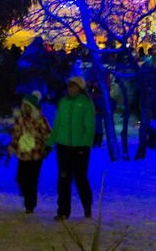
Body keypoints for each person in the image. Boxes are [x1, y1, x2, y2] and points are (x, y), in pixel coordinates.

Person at [48, 76, 95, 221]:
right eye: (69, 86)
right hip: (63, 147)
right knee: (63, 179)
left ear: (80, 88)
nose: (70, 89)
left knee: (80, 178)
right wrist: (50, 142)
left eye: (73, 86)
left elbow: (89, 126)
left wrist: (85, 144)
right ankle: (63, 211)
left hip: (80, 148)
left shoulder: (86, 103)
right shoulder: (63, 102)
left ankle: (87, 206)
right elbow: (57, 124)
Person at [8, 91, 51, 214]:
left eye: (26, 105)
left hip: (36, 155)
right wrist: (13, 145)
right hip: (23, 155)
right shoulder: (20, 120)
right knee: (21, 178)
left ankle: (30, 204)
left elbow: (48, 134)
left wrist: (46, 144)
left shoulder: (40, 120)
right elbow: (16, 134)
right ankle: (26, 194)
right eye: (22, 105)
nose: (23, 107)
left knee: (32, 180)